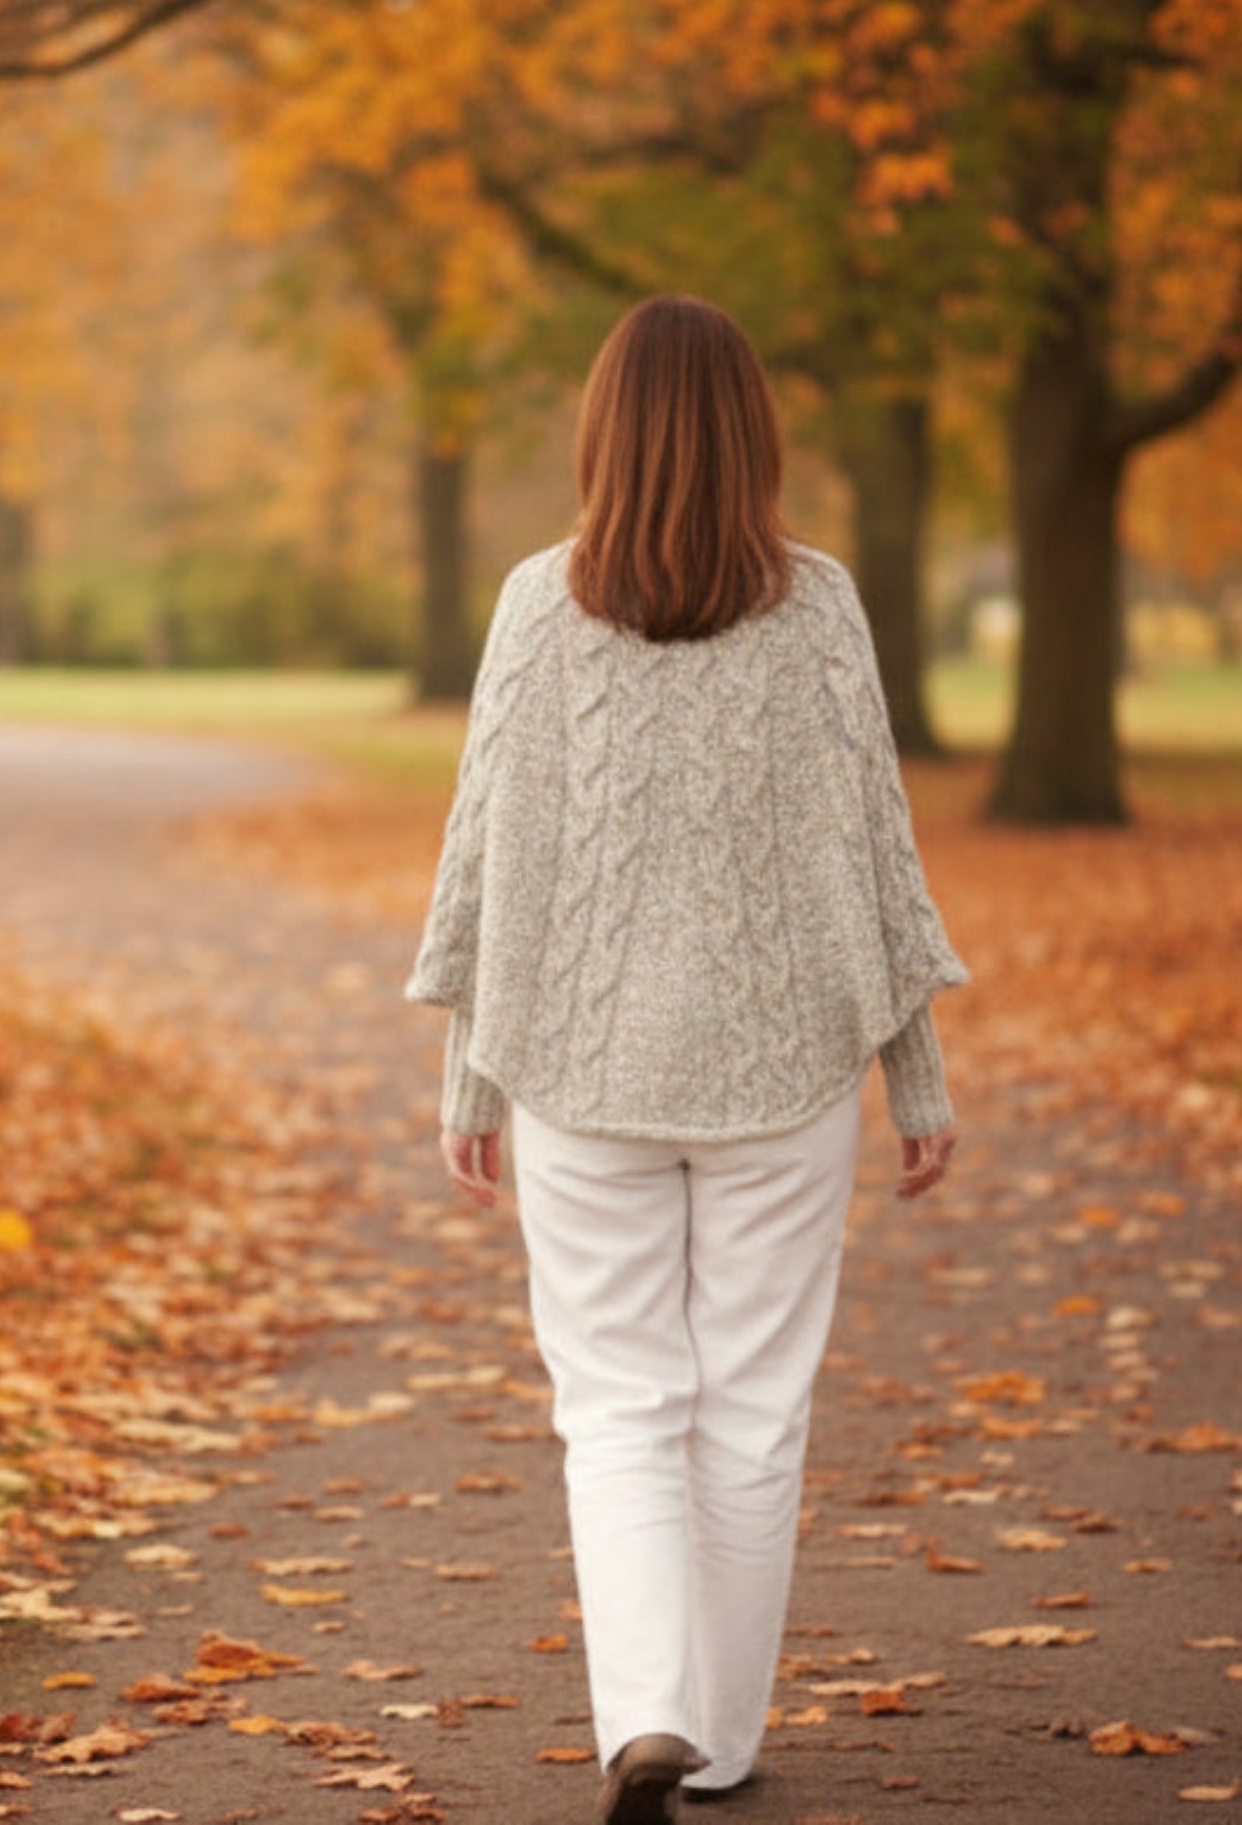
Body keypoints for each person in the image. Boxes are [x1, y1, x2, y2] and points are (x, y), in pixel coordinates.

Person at [405, 295, 968, 1824]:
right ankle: (709, 1744)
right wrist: (913, 1073)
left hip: (578, 1063)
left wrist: (471, 1077)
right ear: (751, 438)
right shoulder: (823, 605)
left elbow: (486, 858)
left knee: (617, 1399)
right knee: (753, 1403)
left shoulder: (535, 603)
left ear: (602, 435)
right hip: (782, 1068)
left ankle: (643, 1713)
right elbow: (876, 852)